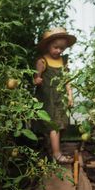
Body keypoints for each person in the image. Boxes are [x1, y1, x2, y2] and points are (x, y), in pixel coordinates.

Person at [34, 27, 75, 163]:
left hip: (60, 97)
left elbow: (67, 79)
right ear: (47, 46)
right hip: (47, 97)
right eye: (55, 47)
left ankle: (53, 149)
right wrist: (37, 79)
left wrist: (70, 95)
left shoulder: (63, 61)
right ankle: (57, 154)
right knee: (53, 126)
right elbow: (36, 78)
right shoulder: (42, 61)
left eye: (62, 49)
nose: (58, 51)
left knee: (62, 124)